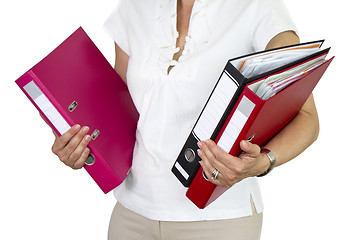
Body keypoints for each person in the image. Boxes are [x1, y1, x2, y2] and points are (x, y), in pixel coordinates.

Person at [50, 0, 319, 239]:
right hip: (132, 214)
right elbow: (119, 114)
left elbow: (306, 118)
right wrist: (81, 146)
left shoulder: (258, 7)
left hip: (218, 219)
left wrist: (263, 162)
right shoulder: (134, 7)